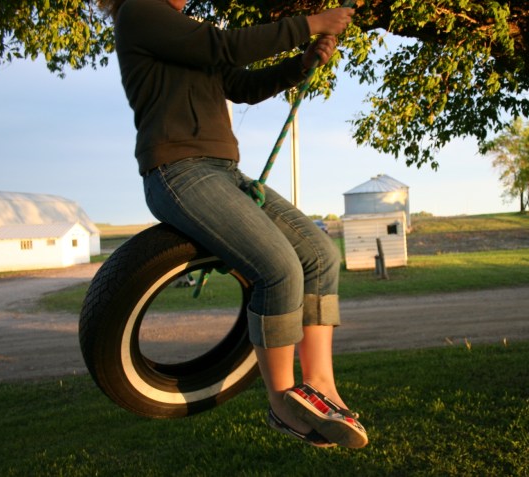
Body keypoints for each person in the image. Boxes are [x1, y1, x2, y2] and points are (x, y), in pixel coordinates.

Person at [97, 0, 367, 448]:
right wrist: (311, 24)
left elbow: (239, 84)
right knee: (278, 268)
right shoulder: (139, 13)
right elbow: (225, 47)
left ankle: (321, 387)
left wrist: (299, 66)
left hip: (224, 171)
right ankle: (282, 403)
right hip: (178, 172)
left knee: (319, 255)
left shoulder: (183, 31)